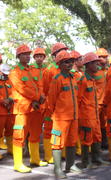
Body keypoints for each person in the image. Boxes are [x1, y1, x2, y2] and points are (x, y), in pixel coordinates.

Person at [10, 44, 47, 173]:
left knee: (36, 134)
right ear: (18, 56)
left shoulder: (33, 70)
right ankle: (18, 164)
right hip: (23, 108)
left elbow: (40, 84)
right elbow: (22, 89)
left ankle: (35, 159)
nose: (27, 56)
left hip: (35, 108)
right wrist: (37, 97)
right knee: (19, 136)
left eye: (28, 54)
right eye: (24, 54)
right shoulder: (15, 72)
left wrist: (41, 96)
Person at [48, 50, 81, 179]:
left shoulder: (73, 78)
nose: (70, 64)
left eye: (71, 61)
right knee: (57, 143)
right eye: (66, 62)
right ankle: (57, 169)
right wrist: (54, 115)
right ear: (60, 64)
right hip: (61, 118)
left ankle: (70, 165)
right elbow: (51, 100)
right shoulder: (57, 79)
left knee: (72, 141)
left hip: (73, 116)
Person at [78, 52, 109, 169]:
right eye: (96, 63)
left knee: (97, 136)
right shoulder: (83, 80)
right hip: (86, 115)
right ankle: (86, 161)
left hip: (95, 113)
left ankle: (97, 158)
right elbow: (78, 99)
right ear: (88, 65)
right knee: (86, 137)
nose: (98, 66)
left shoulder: (92, 79)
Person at [0, 64, 14, 155]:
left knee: (10, 131)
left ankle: (10, 149)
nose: (6, 75)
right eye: (4, 73)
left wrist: (10, 99)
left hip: (9, 110)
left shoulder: (9, 81)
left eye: (7, 74)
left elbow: (14, 92)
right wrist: (2, 101)